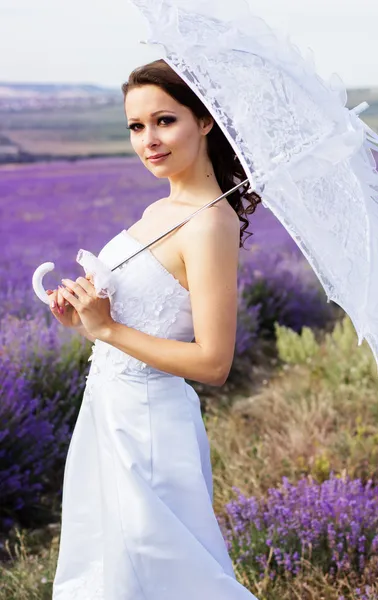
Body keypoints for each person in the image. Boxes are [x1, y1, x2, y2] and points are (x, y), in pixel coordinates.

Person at [48, 58, 261, 599]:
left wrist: (109, 329)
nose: (149, 140)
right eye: (136, 127)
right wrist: (83, 317)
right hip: (107, 412)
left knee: (164, 576)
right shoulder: (159, 208)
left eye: (165, 121)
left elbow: (214, 363)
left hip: (149, 427)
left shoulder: (211, 222)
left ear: (205, 121)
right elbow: (128, 323)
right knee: (107, 571)